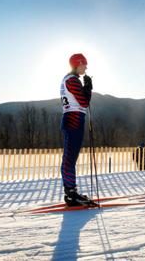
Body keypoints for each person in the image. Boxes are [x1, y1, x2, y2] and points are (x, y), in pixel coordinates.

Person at [60, 53, 94, 206]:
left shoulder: (69, 79)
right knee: (70, 158)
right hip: (74, 118)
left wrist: (86, 87)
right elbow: (84, 102)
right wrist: (88, 88)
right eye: (84, 64)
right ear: (77, 64)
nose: (86, 67)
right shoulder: (72, 80)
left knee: (70, 157)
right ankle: (71, 193)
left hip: (72, 117)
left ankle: (71, 192)